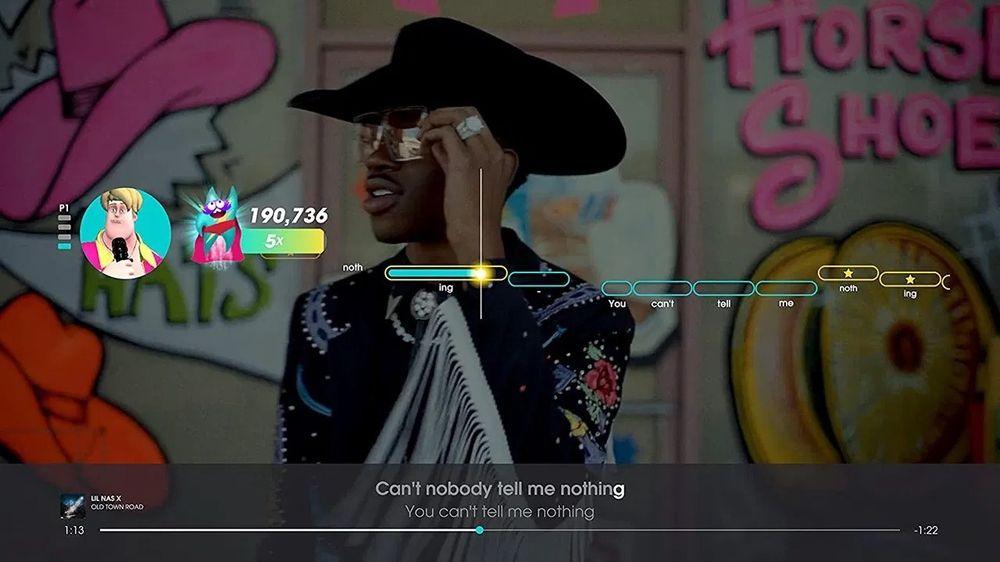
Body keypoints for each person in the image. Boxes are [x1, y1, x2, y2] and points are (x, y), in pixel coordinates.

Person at [278, 17, 634, 464]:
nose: (376, 159)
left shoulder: (581, 315)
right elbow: (298, 497)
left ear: (491, 165)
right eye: (369, 134)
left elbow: (556, 484)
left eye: (407, 134)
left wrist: (480, 252)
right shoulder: (329, 314)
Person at [81, 187, 162, 279]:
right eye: (112, 209)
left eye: (122, 210)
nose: (116, 214)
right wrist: (107, 273)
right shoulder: (85, 251)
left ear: (134, 216)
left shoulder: (154, 261)